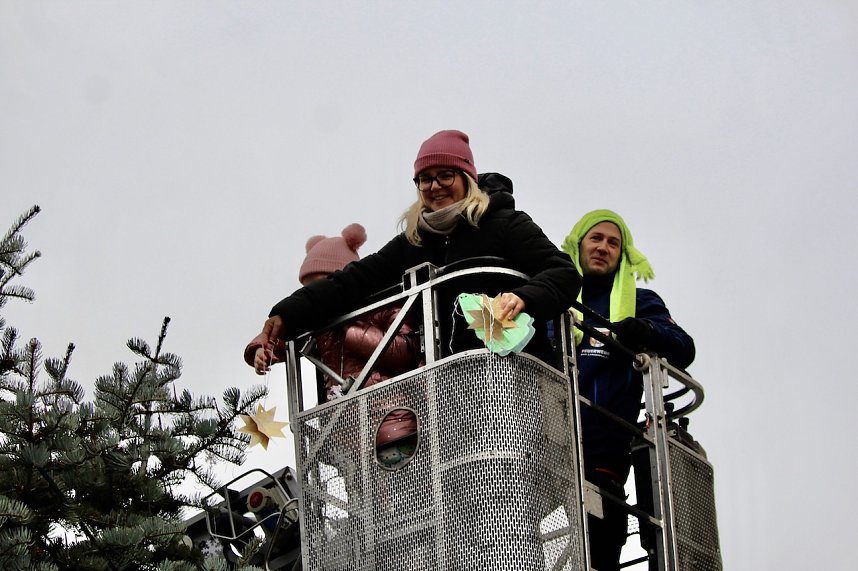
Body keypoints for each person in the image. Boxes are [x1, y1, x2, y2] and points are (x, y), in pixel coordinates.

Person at [254, 129, 580, 366]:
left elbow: (562, 272)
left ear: (467, 178)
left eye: (445, 175)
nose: (434, 186)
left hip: (517, 369)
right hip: (447, 382)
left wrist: (523, 297)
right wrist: (286, 314)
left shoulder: (504, 223)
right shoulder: (415, 240)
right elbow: (351, 282)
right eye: (425, 179)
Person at [561, 209, 695, 571]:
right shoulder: (553, 297)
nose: (604, 247)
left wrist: (645, 332)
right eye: (596, 238)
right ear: (578, 244)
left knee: (602, 544)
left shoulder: (640, 301)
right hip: (550, 443)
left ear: (623, 254)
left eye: (614, 243)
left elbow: (684, 348)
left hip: (605, 449)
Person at [244, 223, 422, 460]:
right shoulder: (320, 328)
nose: (318, 297)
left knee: (406, 482)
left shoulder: (383, 306)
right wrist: (262, 348)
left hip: (389, 415)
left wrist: (352, 333)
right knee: (362, 492)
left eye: (323, 286)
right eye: (309, 290)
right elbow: (281, 335)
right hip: (344, 427)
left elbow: (404, 352)